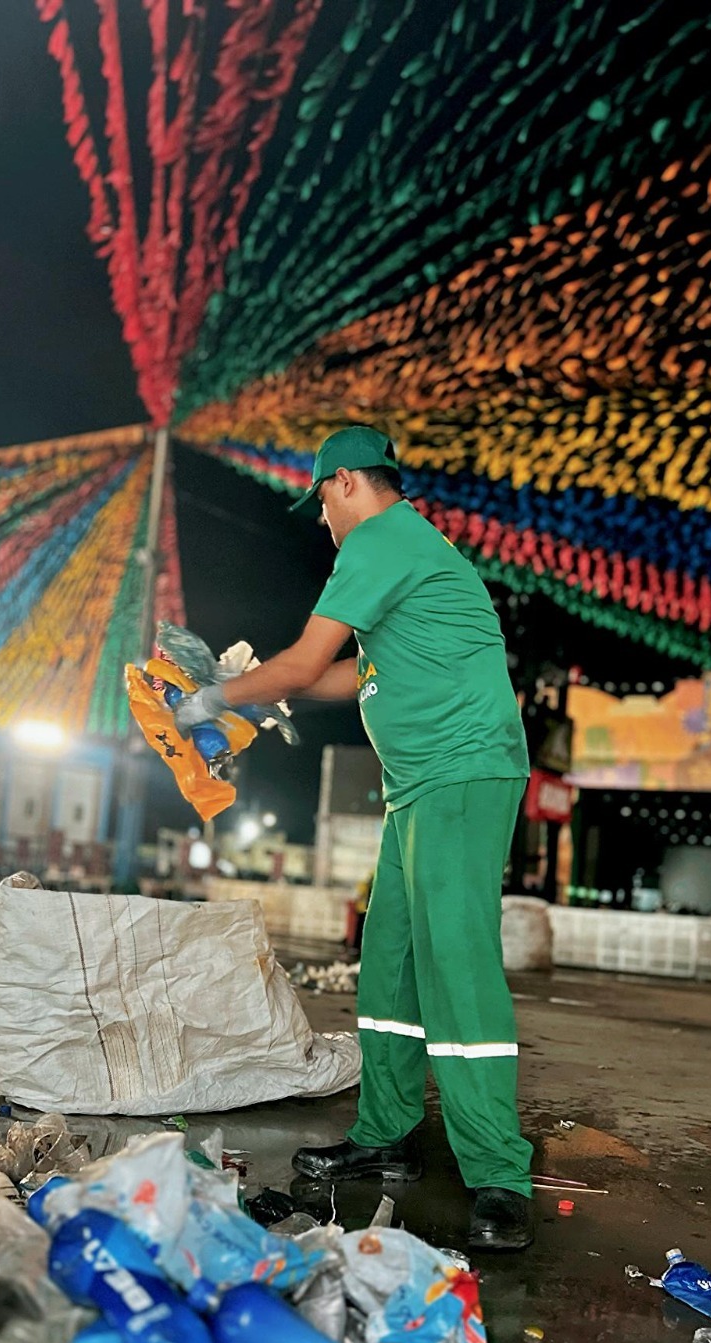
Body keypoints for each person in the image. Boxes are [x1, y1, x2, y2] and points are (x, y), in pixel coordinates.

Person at [175, 425, 535, 1249]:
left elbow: (306, 663)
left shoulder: (380, 539)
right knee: (394, 963)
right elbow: (348, 674)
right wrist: (264, 693)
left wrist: (213, 698)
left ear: (343, 485)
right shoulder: (402, 555)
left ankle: (498, 1174)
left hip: (463, 772)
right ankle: (390, 1131)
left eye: (321, 505)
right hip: (417, 789)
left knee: (456, 962)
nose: (321, 522)